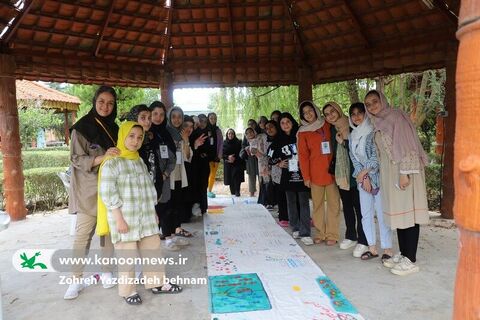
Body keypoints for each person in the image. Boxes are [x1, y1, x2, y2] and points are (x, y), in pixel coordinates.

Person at [98, 121, 182, 305]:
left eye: (139, 137)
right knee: (127, 257)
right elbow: (107, 193)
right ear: (122, 136)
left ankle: (157, 283)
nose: (135, 141)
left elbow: (149, 188)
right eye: (131, 136)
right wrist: (119, 219)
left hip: (146, 217)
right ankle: (128, 291)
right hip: (125, 219)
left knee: (153, 250)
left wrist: (153, 211)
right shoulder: (112, 163)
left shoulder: (139, 161)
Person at [364, 90, 429, 276]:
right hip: (389, 173)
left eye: (375, 101)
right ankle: (404, 254)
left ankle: (411, 259)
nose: (372, 106)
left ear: (383, 100)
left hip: (404, 170)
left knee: (409, 214)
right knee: (400, 215)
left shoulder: (396, 117)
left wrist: (404, 173)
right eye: (368, 104)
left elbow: (408, 146)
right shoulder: (376, 122)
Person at [64, 86, 119, 300]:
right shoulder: (81, 128)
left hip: (110, 190)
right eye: (101, 102)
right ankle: (75, 279)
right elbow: (76, 158)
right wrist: (102, 158)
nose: (105, 106)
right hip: (88, 191)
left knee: (107, 235)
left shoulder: (114, 128)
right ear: (95, 102)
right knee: (83, 236)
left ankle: (106, 272)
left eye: (110, 103)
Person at [348, 102, 393, 261]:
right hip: (363, 179)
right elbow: (354, 159)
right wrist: (363, 177)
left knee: (381, 214)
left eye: (360, 113)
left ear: (366, 114)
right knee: (365, 215)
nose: (357, 117)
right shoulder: (352, 136)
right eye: (353, 114)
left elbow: (376, 157)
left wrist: (365, 174)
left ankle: (387, 249)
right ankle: (372, 248)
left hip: (378, 178)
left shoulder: (373, 132)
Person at [323, 101, 368, 256]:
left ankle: (364, 240)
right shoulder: (331, 129)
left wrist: (344, 142)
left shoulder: (352, 125)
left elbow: (360, 148)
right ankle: (351, 236)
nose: (330, 116)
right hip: (342, 175)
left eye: (332, 111)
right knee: (347, 206)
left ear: (338, 110)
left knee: (360, 208)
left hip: (356, 173)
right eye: (327, 114)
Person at [297, 101, 340, 246]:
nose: (308, 114)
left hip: (332, 172)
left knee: (334, 205)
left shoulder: (327, 124)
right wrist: (306, 177)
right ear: (302, 116)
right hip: (314, 174)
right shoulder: (302, 132)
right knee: (317, 205)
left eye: (310, 110)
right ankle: (321, 233)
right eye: (305, 113)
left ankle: (332, 234)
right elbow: (302, 156)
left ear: (316, 110)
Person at [268, 113, 313, 245]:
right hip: (287, 176)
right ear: (279, 125)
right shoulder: (277, 140)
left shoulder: (300, 135)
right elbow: (270, 156)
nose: (285, 125)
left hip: (302, 174)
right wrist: (278, 163)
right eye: (282, 123)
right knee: (291, 202)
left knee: (304, 202)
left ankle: (305, 232)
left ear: (292, 122)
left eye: (288, 121)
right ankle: (296, 227)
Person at [148, 101, 177, 246]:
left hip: (164, 178)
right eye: (155, 114)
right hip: (147, 180)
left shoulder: (166, 134)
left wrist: (165, 174)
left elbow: (173, 158)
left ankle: (167, 236)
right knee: (150, 209)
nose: (158, 117)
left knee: (165, 207)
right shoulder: (143, 133)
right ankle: (151, 238)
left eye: (161, 114)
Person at [166, 107, 194, 244]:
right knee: (167, 204)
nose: (176, 119)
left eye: (179, 117)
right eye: (174, 117)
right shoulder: (165, 133)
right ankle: (166, 233)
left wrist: (186, 140)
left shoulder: (183, 135)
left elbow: (188, 157)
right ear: (169, 118)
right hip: (167, 175)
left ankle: (177, 229)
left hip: (178, 174)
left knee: (177, 203)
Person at [265, 120, 288, 226]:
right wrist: (278, 162)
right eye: (267, 128)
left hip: (288, 171)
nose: (269, 130)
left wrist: (279, 161)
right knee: (280, 195)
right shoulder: (271, 143)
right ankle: (283, 217)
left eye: (271, 127)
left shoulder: (285, 139)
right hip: (277, 174)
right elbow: (269, 159)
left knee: (291, 195)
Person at [189, 114, 210, 215]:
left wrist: (201, 152)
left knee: (202, 187)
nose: (196, 125)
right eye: (194, 124)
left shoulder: (202, 133)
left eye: (198, 123)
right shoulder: (187, 134)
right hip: (192, 167)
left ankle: (203, 208)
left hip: (202, 166)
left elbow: (207, 150)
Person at [222, 129, 244, 196]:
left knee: (237, 177)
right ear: (227, 135)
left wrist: (234, 158)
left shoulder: (238, 142)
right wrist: (228, 157)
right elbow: (222, 154)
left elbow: (241, 153)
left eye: (232, 133)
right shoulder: (224, 143)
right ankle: (233, 192)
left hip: (237, 162)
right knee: (230, 178)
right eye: (229, 134)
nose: (230, 135)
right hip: (228, 163)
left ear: (234, 134)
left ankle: (237, 191)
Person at [207, 112, 223, 198]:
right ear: (208, 119)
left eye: (215, 118)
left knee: (213, 174)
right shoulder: (206, 130)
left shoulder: (218, 130)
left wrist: (219, 155)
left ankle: (209, 190)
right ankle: (205, 190)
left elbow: (221, 143)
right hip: (207, 156)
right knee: (206, 174)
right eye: (211, 118)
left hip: (216, 156)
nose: (213, 120)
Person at [240, 127, 260, 197]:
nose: (250, 134)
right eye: (247, 133)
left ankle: (262, 193)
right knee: (251, 177)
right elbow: (242, 149)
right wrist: (246, 148)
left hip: (259, 160)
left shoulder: (259, 139)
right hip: (250, 160)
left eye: (251, 132)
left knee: (261, 177)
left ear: (254, 132)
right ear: (246, 135)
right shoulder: (245, 141)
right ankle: (252, 193)